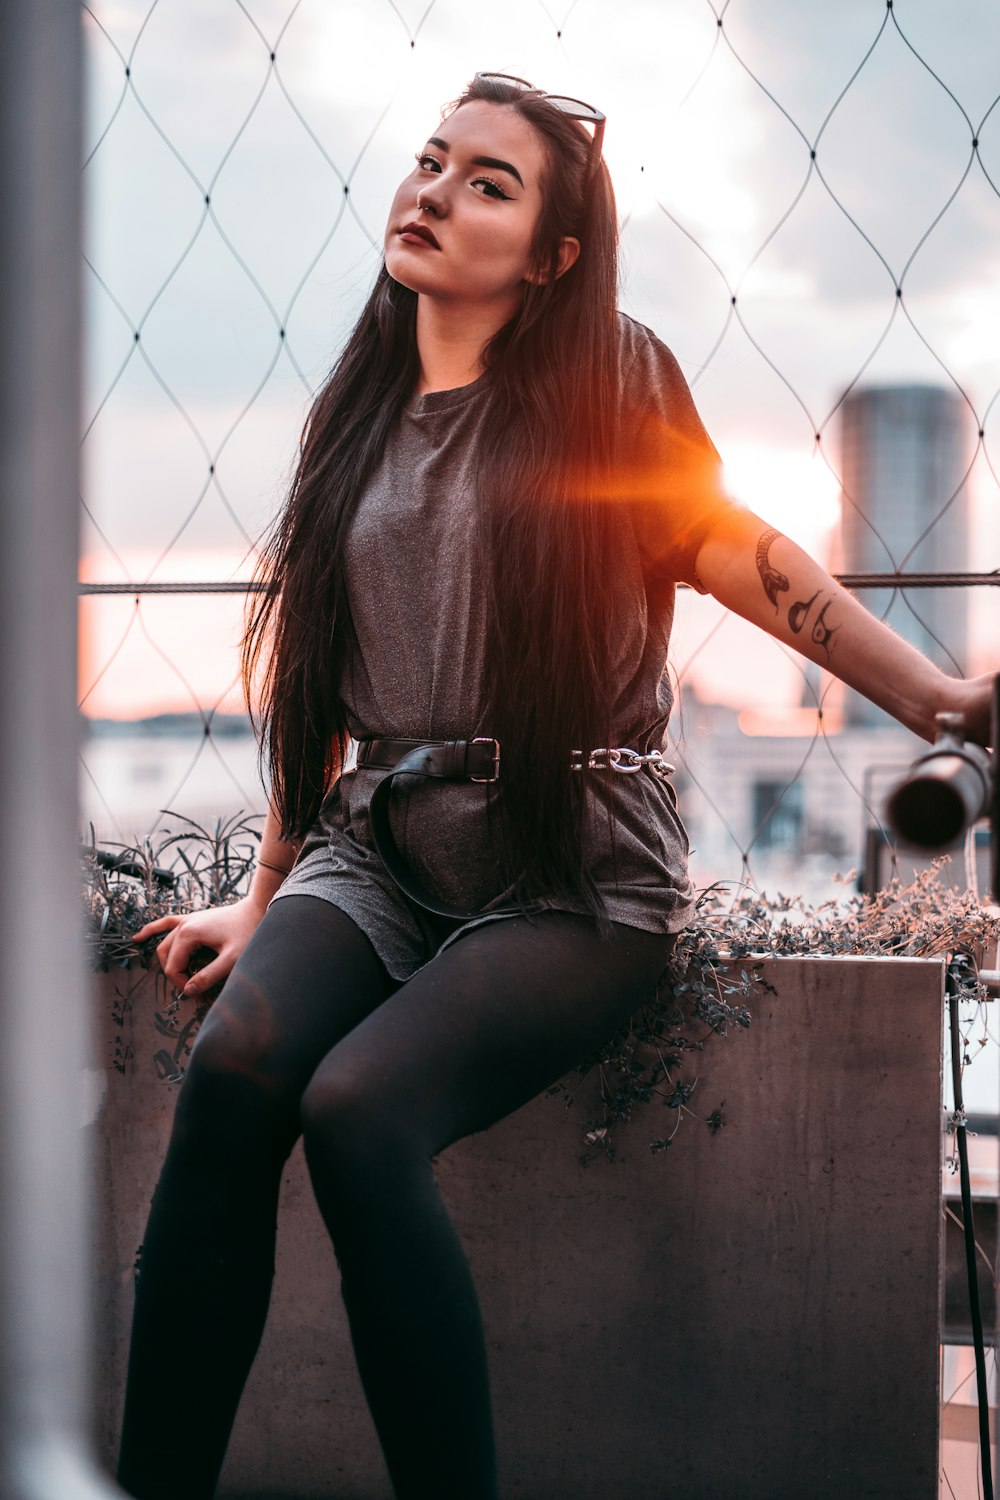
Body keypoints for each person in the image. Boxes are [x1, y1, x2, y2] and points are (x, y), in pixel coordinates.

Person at [116, 73, 994, 1500]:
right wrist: (263, 897)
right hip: (379, 848)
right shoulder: (356, 413)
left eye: (488, 183)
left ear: (554, 256)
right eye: (430, 162)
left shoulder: (611, 383)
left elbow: (737, 551)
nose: (434, 192)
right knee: (238, 1073)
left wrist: (941, 701)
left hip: (571, 866)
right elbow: (310, 692)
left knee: (358, 1110)